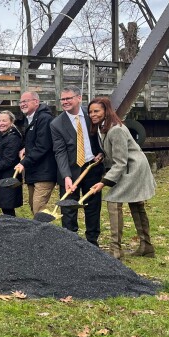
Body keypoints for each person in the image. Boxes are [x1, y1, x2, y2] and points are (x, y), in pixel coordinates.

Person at [88, 97, 156, 259]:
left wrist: (103, 183)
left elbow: (120, 161)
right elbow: (115, 153)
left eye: (97, 111)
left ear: (106, 111)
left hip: (134, 168)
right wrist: (102, 156)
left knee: (114, 201)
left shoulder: (116, 130)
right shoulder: (105, 128)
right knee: (136, 203)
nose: (92, 115)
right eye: (90, 112)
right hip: (129, 166)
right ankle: (146, 246)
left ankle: (115, 250)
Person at [50, 86, 104, 246]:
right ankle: (71, 244)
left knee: (93, 207)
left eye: (68, 98)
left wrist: (101, 153)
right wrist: (66, 176)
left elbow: (102, 139)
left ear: (79, 98)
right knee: (68, 209)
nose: (65, 102)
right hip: (70, 172)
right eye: (63, 99)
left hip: (91, 168)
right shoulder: (56, 124)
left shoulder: (91, 116)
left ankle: (92, 243)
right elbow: (59, 152)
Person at [14, 91, 57, 215]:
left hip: (44, 172)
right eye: (21, 102)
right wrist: (26, 149)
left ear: (36, 102)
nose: (22, 104)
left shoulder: (44, 118)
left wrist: (24, 162)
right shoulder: (30, 119)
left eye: (25, 101)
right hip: (33, 172)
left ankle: (45, 233)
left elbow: (43, 145)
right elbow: (35, 141)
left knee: (39, 209)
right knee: (34, 207)